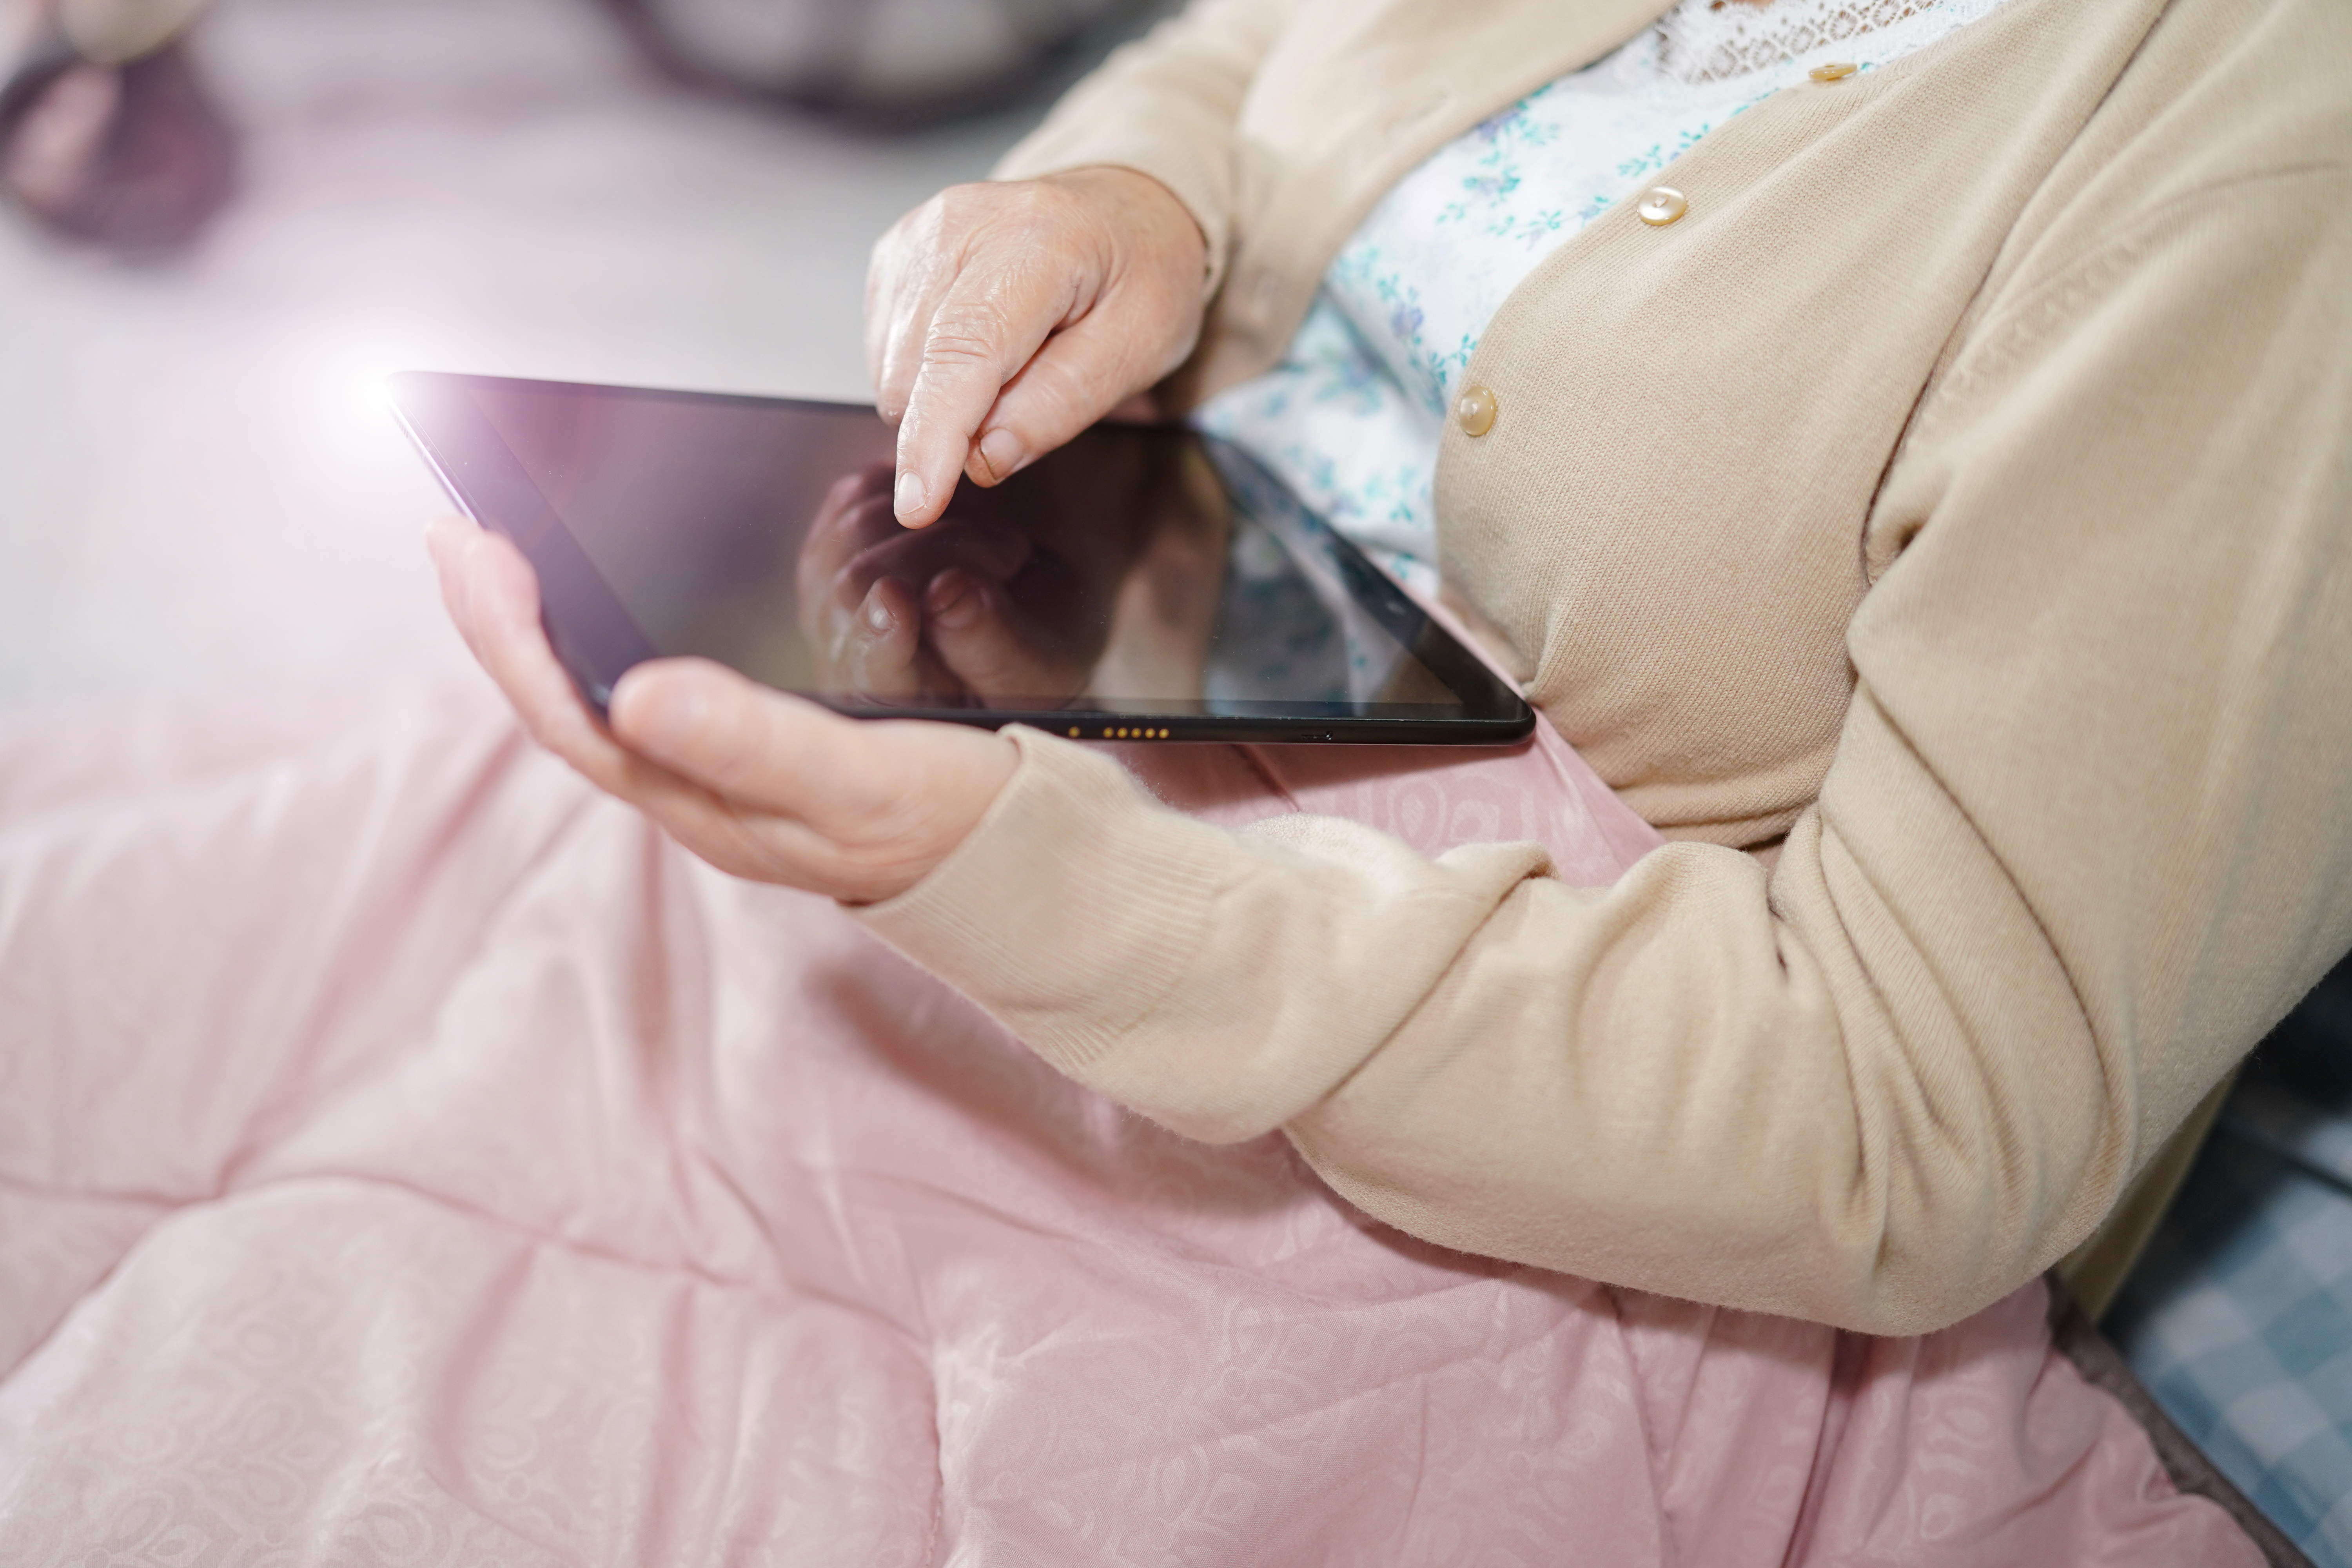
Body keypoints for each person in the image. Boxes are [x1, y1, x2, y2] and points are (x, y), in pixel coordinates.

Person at [437, 0, 2352, 1336]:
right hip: (1073, 725)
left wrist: (1055, 890)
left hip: (1518, 1187)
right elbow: (1247, 46)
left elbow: (1912, 1117)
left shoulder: (2264, 190)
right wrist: (1132, 203)